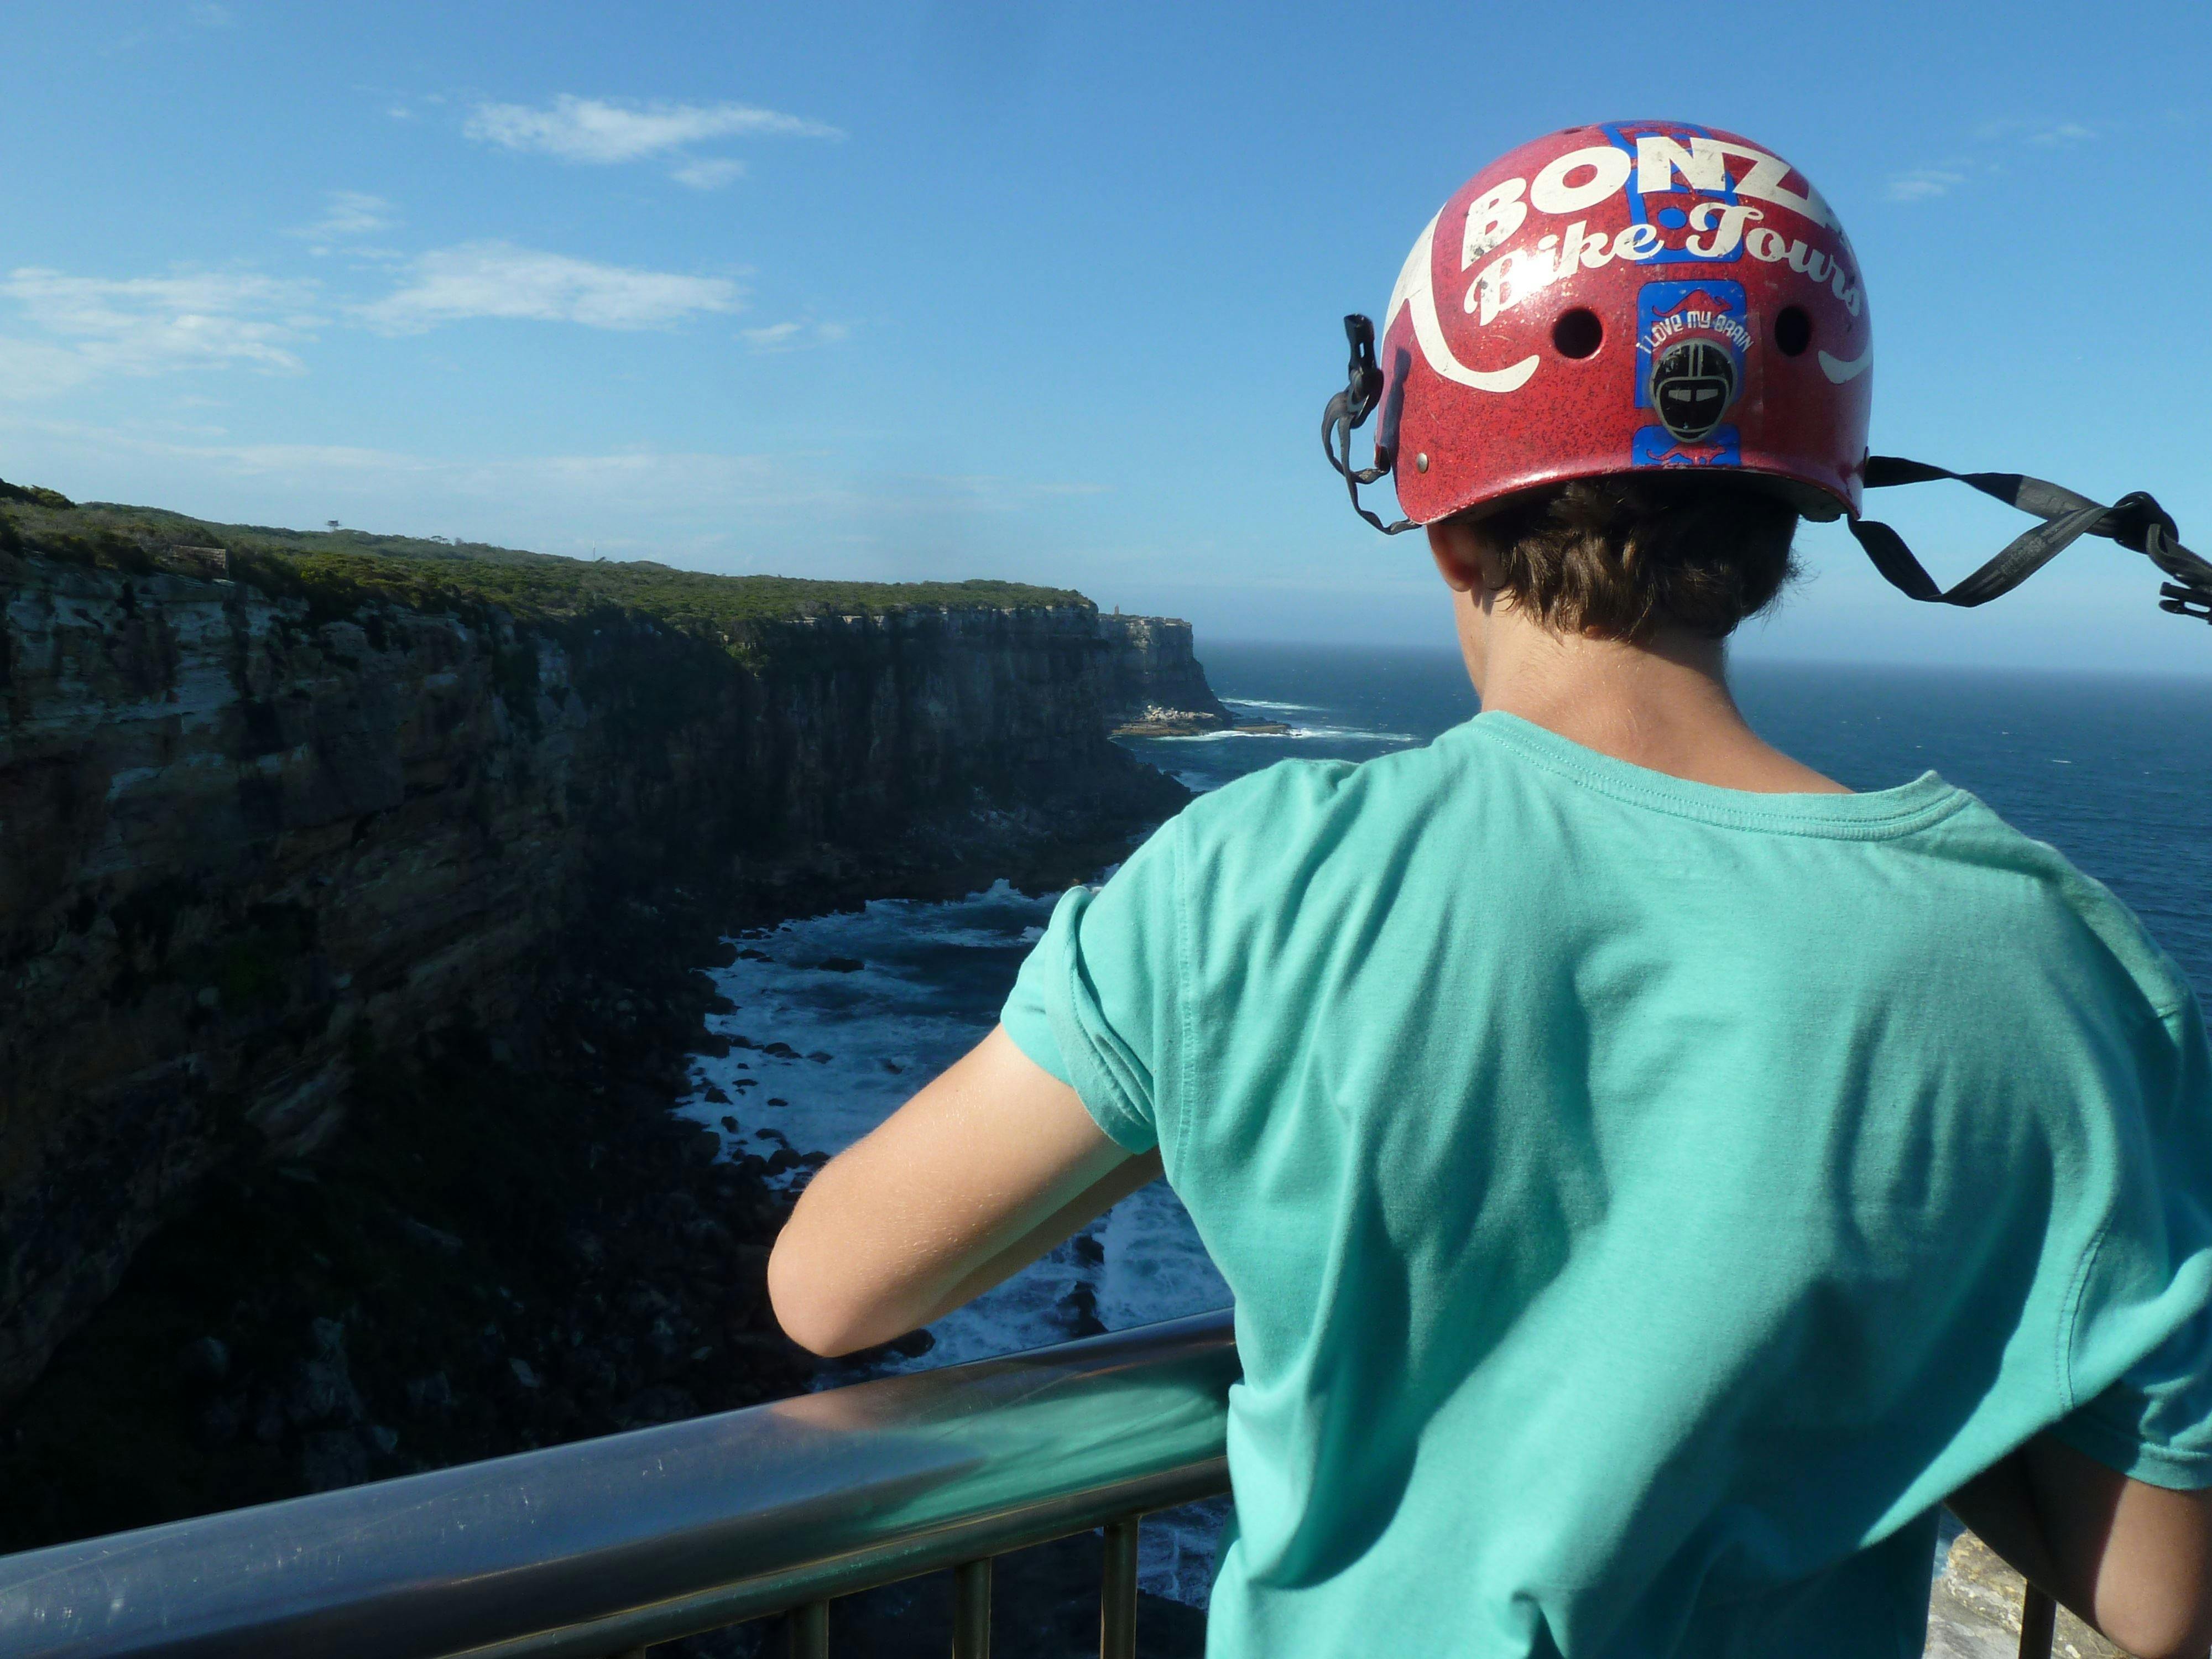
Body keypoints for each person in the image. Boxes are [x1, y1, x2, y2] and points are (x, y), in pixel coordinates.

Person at [768, 121, 2212, 1658]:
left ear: (1442, 513)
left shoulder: (1247, 877)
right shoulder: (2044, 955)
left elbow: (832, 1285)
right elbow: (2157, 1593)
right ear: (1800, 513)